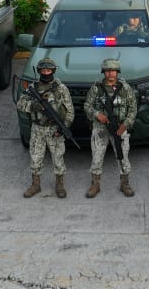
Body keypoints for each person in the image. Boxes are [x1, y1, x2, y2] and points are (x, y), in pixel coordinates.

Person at [18, 57, 74, 199]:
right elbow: (20, 103)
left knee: (58, 157)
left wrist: (64, 127)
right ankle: (35, 185)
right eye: (43, 70)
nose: (46, 73)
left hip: (54, 128)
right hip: (37, 128)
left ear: (53, 71)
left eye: (49, 70)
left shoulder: (61, 89)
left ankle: (59, 184)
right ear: (39, 71)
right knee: (35, 157)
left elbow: (69, 111)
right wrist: (33, 106)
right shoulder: (32, 88)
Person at [84, 58, 137, 197]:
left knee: (123, 156)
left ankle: (124, 183)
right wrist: (97, 114)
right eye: (108, 71)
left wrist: (125, 125)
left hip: (120, 127)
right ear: (104, 72)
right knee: (97, 156)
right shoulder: (96, 88)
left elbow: (133, 108)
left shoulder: (125, 88)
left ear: (117, 72)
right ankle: (95, 184)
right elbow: (87, 106)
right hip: (100, 128)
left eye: (113, 71)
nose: (111, 74)